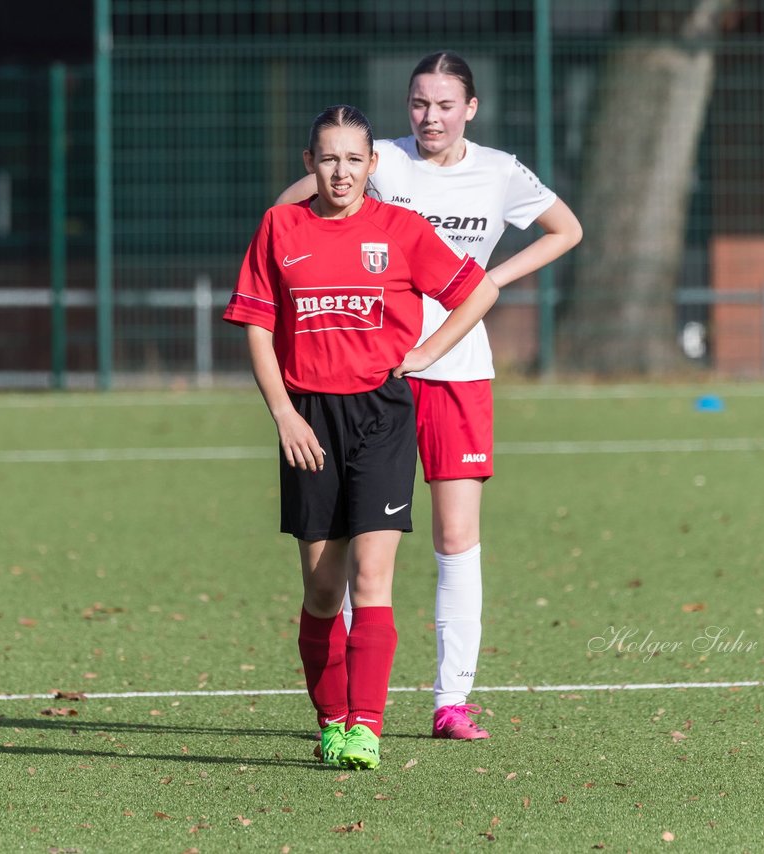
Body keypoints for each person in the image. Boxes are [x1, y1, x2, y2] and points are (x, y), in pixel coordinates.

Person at [276, 52, 582, 741]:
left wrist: (492, 279)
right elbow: (285, 216)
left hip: (459, 371)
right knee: (355, 548)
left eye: (445, 105)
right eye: (419, 104)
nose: (431, 117)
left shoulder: (501, 172)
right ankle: (350, 711)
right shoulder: (375, 158)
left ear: (471, 107)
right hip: (373, 377)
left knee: (454, 535)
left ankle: (452, 701)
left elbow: (567, 230)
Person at [225, 104, 500, 770]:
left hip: (381, 414)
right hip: (309, 418)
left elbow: (478, 289)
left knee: (373, 580)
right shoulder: (279, 227)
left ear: (372, 165)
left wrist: (430, 350)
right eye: (328, 158)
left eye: (354, 159)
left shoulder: (400, 229)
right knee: (323, 589)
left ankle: (367, 728)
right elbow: (259, 330)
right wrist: (285, 415)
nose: (341, 172)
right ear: (309, 164)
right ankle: (332, 720)